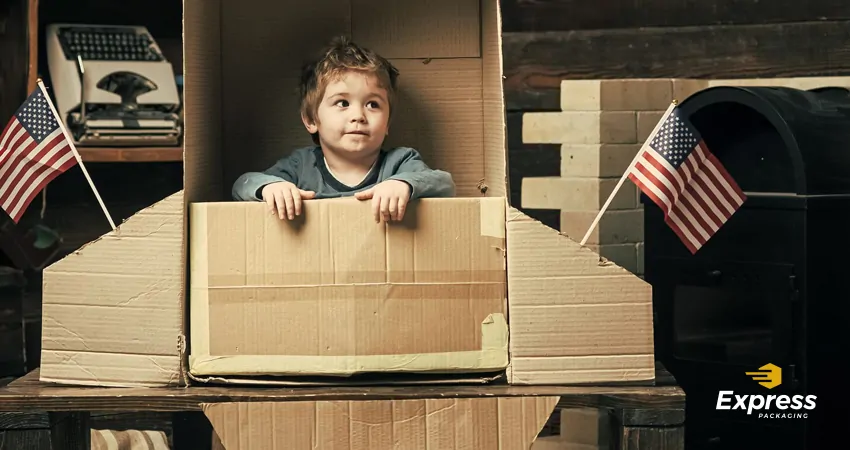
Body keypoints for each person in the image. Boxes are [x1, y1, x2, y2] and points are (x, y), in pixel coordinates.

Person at [231, 36, 455, 223]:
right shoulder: (301, 167)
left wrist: (403, 184)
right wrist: (272, 187)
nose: (358, 116)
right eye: (343, 103)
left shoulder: (400, 162)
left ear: (387, 124)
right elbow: (242, 185)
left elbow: (444, 185)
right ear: (311, 119)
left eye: (373, 104)